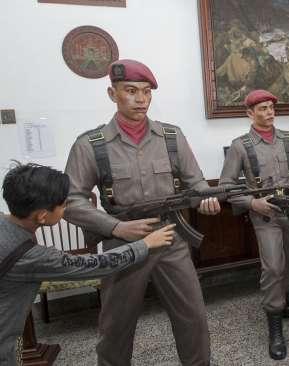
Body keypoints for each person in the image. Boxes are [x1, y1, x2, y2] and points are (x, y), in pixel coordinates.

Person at [63, 59, 221, 366]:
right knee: (116, 326)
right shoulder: (91, 145)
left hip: (169, 238)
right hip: (121, 244)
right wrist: (114, 228)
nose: (141, 99)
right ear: (113, 94)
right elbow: (71, 201)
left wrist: (207, 198)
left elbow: (196, 182)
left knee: (193, 317)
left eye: (147, 92)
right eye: (131, 91)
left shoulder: (172, 137)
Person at [0, 163, 175, 366]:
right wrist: (145, 244)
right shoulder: (32, 257)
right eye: (63, 204)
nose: (66, 207)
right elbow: (93, 264)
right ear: (41, 215)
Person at [219, 89, 289, 360]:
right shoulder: (241, 145)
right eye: (262, 109)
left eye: (271, 107)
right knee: (273, 266)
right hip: (265, 213)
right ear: (250, 113)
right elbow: (227, 187)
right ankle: (275, 326)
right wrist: (252, 203)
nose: (269, 112)